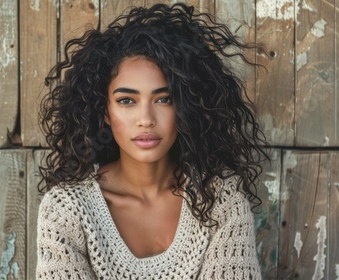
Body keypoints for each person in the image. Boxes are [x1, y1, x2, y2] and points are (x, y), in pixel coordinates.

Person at [36, 3, 269, 279]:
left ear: (186, 106)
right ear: (105, 112)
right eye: (126, 101)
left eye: (163, 99)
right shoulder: (66, 210)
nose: (146, 119)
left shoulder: (221, 200)